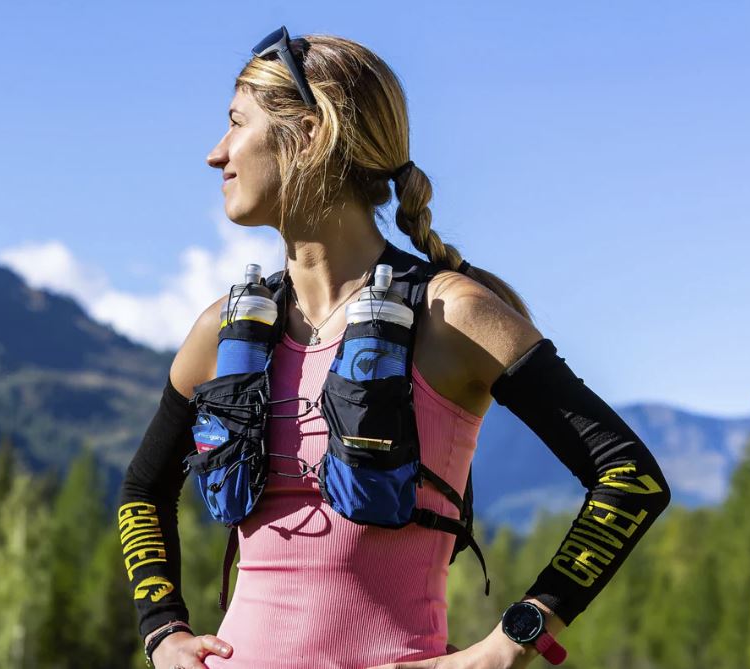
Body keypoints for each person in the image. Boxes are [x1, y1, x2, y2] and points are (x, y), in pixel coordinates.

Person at [118, 26, 670, 669]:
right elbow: (143, 490)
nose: (217, 154)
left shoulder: (452, 314)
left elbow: (628, 478)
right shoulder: (222, 330)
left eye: (237, 123)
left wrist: (506, 645)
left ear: (313, 133)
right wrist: (163, 630)